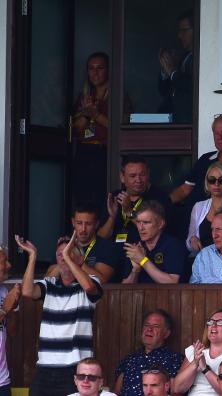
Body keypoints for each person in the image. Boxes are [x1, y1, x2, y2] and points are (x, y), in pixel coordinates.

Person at [19, 233, 103, 396]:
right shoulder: (49, 284)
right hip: (45, 367)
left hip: (75, 369)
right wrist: (33, 256)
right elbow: (27, 291)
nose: (64, 258)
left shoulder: (91, 282)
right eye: (60, 255)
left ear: (80, 259)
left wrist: (68, 258)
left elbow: (89, 288)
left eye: (69, 253)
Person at [71, 52, 131, 206]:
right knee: (83, 199)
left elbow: (120, 128)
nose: (95, 73)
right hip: (84, 152)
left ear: (108, 70)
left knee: (104, 199)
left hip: (107, 153)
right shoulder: (84, 96)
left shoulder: (118, 96)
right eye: (91, 68)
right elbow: (76, 128)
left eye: (100, 68)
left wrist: (96, 115)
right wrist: (86, 113)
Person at [170, 112, 222, 205]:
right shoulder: (205, 159)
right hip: (192, 212)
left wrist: (207, 209)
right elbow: (185, 189)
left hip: (220, 212)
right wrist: (165, 203)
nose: (219, 137)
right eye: (216, 133)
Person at [98, 155, 173, 247]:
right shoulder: (114, 197)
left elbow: (158, 232)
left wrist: (129, 211)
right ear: (122, 177)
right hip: (114, 251)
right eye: (132, 176)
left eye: (142, 175)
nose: (138, 180)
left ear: (148, 174)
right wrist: (112, 217)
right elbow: (101, 237)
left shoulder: (160, 197)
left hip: (143, 251)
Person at [174, 309, 222, 396]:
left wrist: (205, 369)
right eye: (210, 322)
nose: (213, 325)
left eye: (220, 322)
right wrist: (195, 363)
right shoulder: (196, 351)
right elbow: (176, 389)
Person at [114, 309, 183, 396]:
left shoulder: (174, 359)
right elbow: (116, 392)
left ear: (166, 333)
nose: (149, 329)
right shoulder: (129, 359)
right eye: (146, 325)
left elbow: (176, 392)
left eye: (156, 326)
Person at [46, 204, 119, 283]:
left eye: (88, 224)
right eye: (79, 223)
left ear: (96, 224)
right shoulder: (65, 246)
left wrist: (75, 261)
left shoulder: (106, 247)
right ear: (73, 222)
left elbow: (102, 281)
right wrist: (64, 258)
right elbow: (47, 279)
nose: (83, 229)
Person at [120, 201, 187, 284]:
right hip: (140, 293)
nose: (140, 228)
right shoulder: (136, 247)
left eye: (146, 222)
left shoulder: (173, 245)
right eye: (138, 222)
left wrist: (143, 260)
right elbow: (124, 288)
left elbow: (172, 282)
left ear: (161, 224)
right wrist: (135, 270)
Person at [185, 163, 222, 253]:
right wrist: (192, 240)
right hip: (203, 259)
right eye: (212, 180)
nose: (216, 184)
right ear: (207, 183)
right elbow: (189, 243)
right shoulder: (198, 207)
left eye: (221, 180)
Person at [158, 10, 193, 123]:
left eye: (184, 30)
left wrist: (173, 72)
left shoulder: (202, 59)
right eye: (179, 31)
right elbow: (164, 92)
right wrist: (165, 70)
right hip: (175, 121)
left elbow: (192, 87)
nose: (179, 35)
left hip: (190, 122)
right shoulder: (183, 57)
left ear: (196, 30)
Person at [0, 246, 20, 396]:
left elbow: (12, 332)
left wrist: (15, 307)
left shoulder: (3, 291)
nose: (9, 265)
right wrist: (5, 309)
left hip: (2, 380)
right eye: (4, 261)